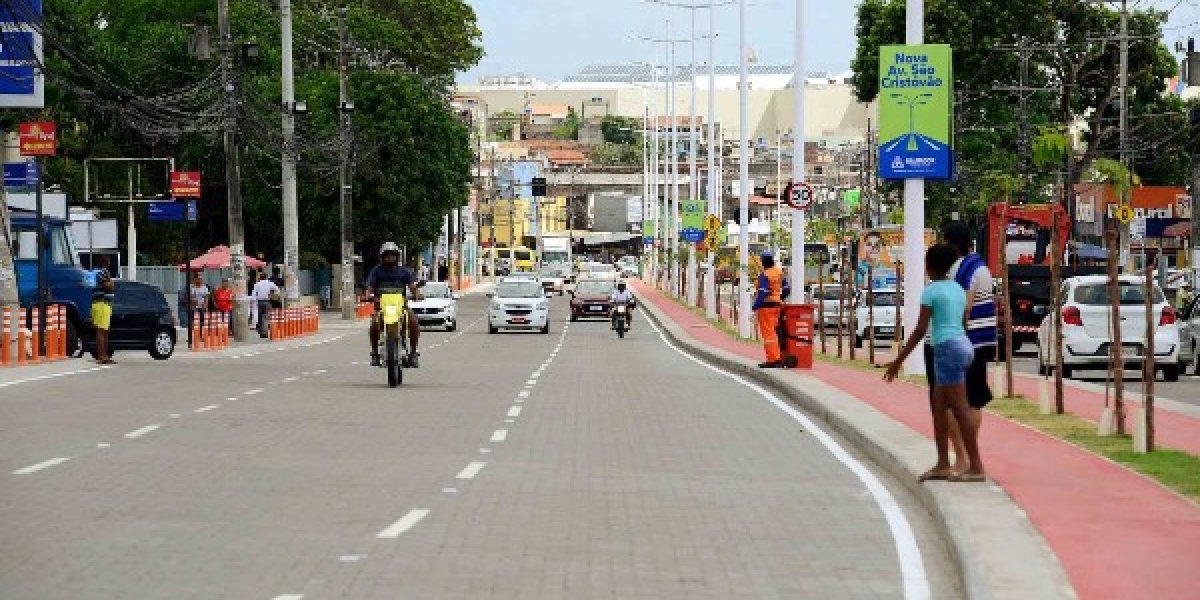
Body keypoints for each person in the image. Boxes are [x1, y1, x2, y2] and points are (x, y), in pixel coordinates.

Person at [884, 243, 986, 483]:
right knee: (939, 407)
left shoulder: (930, 292)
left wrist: (898, 361)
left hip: (947, 349)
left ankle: (976, 467)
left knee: (960, 410)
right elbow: (962, 321)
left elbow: (920, 330)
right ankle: (942, 463)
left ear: (928, 266)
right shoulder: (958, 289)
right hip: (962, 345)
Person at [922, 221, 996, 476]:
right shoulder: (981, 267)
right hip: (980, 340)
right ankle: (962, 459)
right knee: (971, 401)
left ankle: (963, 458)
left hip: (958, 342)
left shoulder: (961, 271)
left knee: (953, 404)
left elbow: (962, 309)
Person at [366, 242, 422, 367]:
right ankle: (375, 354)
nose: (390, 258)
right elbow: (369, 288)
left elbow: (413, 287)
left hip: (401, 307)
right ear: (382, 257)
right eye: (387, 255)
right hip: (381, 307)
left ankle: (413, 354)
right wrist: (368, 296)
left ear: (397, 257)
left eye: (393, 255)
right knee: (373, 326)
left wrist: (417, 294)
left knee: (414, 323)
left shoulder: (404, 272)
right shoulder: (376, 271)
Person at [752, 251, 791, 368]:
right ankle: (776, 357)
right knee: (773, 332)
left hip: (766, 308)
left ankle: (773, 359)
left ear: (763, 262)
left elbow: (762, 292)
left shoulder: (765, 275)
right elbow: (786, 289)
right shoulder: (779, 273)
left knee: (768, 334)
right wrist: (779, 298)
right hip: (776, 306)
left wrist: (756, 306)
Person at [90, 256, 116, 364]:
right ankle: (102, 356)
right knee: (102, 332)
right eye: (108, 261)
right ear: (106, 262)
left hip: (99, 304)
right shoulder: (102, 272)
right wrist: (111, 281)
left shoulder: (96, 272)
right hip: (102, 304)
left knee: (103, 331)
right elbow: (108, 287)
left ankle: (104, 355)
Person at [251, 272, 280, 338]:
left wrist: (253, 301)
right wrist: (273, 295)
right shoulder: (270, 283)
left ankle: (260, 331)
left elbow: (253, 295)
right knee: (266, 317)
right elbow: (277, 289)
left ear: (260, 277)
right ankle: (265, 332)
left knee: (260, 317)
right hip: (267, 301)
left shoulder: (257, 284)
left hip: (260, 302)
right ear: (266, 277)